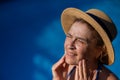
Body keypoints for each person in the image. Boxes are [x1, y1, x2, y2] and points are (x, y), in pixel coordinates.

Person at [52, 7, 119, 80]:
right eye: (69, 36)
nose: (70, 45)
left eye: (80, 41)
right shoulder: (65, 69)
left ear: (99, 51)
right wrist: (58, 78)